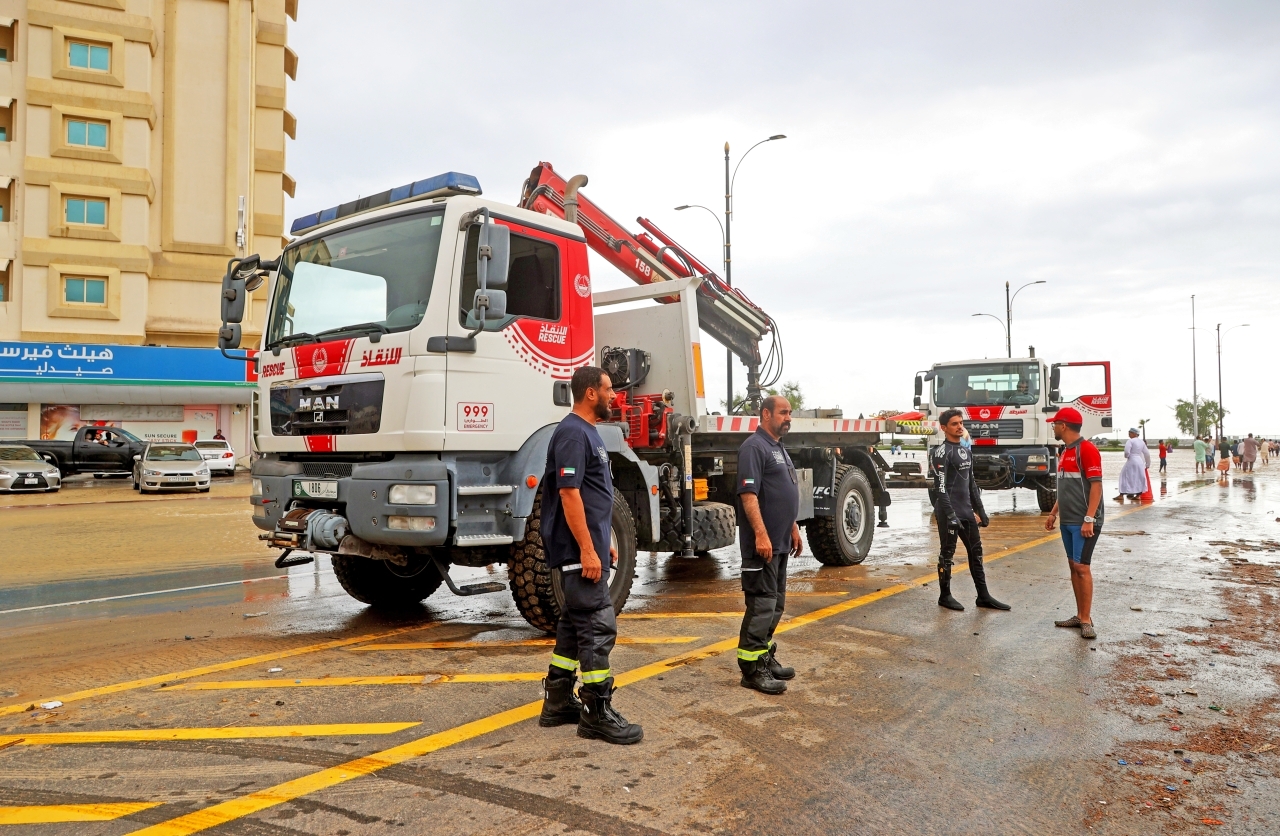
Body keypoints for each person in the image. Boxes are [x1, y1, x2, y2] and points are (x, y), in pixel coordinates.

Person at [538, 366, 642, 745]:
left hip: (588, 546)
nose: (615, 396)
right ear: (590, 394)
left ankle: (558, 701)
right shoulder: (572, 432)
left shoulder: (588, 433)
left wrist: (602, 541)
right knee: (598, 626)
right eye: (609, 389)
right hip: (575, 550)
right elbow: (569, 493)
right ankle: (596, 713)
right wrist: (586, 548)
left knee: (573, 624)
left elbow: (592, 495)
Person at [735, 395, 804, 695]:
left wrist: (792, 527)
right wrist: (761, 535)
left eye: (790, 413)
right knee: (761, 605)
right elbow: (749, 495)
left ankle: (763, 655)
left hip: (779, 543)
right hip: (762, 545)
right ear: (765, 414)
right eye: (783, 412)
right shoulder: (754, 447)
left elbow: (781, 493)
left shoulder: (778, 447)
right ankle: (750, 669)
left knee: (775, 605)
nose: (788, 417)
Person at [930, 408, 1009, 612]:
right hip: (949, 511)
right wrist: (950, 515)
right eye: (955, 423)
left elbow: (971, 483)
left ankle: (983, 596)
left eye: (961, 422)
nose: (959, 426)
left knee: (977, 553)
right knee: (947, 554)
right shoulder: (940, 453)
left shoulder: (966, 450)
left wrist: (981, 510)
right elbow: (940, 489)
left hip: (966, 511)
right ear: (944, 428)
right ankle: (945, 596)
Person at [1044, 407, 1104, 640]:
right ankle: (1079, 615)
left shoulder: (1087, 450)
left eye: (1055, 423)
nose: (1053, 427)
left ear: (1064, 426)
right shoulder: (1064, 452)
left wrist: (1089, 518)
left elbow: (1096, 486)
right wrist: (1053, 513)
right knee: (1072, 566)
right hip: (1067, 520)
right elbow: (1065, 488)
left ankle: (1086, 619)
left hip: (1084, 521)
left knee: (1082, 567)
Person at [1115, 428, 1149, 502]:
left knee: (1124, 476)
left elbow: (1127, 452)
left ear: (1135, 434)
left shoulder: (1130, 441)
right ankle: (1138, 495)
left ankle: (1121, 495)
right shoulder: (1142, 442)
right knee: (1139, 477)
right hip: (1139, 461)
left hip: (1132, 459)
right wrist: (1148, 464)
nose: (1129, 434)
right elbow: (1147, 453)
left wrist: (1127, 456)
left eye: (1130, 432)